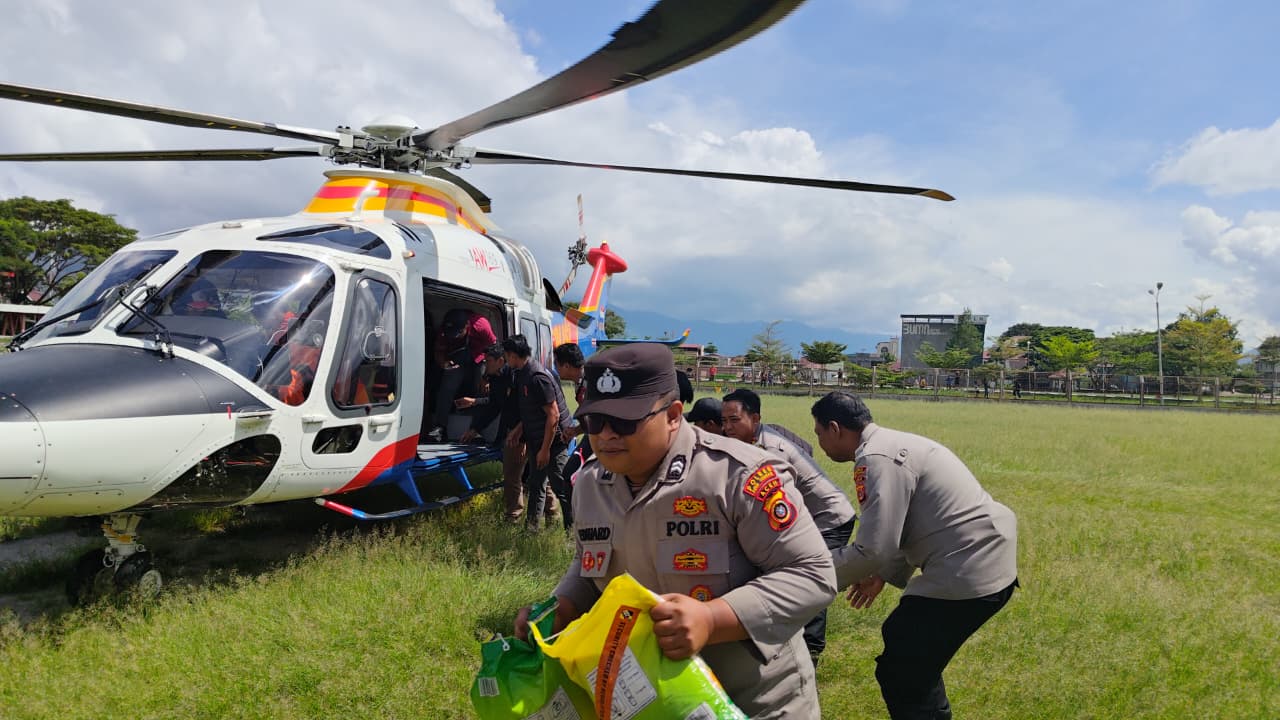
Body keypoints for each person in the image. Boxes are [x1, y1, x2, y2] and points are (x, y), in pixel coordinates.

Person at [516, 343, 836, 719]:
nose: (605, 436)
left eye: (624, 422)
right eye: (594, 422)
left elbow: (813, 573)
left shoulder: (737, 476)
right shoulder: (590, 485)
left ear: (672, 415)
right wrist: (563, 606)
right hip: (653, 701)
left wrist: (713, 619)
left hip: (754, 699)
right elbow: (590, 565)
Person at [810, 391, 1019, 720]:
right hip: (983, 556)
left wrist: (806, 579)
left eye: (819, 433)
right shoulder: (891, 444)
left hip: (970, 565)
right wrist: (881, 574)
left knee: (904, 669)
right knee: (908, 653)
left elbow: (872, 549)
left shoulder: (876, 458)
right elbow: (900, 524)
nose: (820, 443)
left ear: (835, 428)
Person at [720, 387, 856, 665]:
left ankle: (810, 650)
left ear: (755, 419)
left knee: (808, 577)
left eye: (734, 420)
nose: (727, 427)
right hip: (809, 516)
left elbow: (776, 502)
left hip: (829, 518)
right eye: (724, 421)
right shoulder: (754, 441)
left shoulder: (770, 450)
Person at [457, 343, 558, 523]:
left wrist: (521, 435)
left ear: (500, 361)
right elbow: (494, 406)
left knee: (534, 476)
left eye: (488, 361)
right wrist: (475, 429)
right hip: (515, 432)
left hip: (526, 433)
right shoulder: (495, 379)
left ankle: (549, 515)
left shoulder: (518, 377)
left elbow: (529, 409)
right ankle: (517, 516)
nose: (485, 365)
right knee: (515, 475)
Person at [504, 334, 571, 532]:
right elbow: (532, 411)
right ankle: (531, 531)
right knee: (536, 485)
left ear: (513, 355)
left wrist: (545, 450)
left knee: (562, 488)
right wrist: (518, 430)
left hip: (553, 442)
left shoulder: (536, 377)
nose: (506, 360)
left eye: (506, 356)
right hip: (537, 440)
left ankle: (574, 532)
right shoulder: (523, 373)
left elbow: (553, 415)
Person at [427, 308, 497, 442]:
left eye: (458, 333)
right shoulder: (444, 331)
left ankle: (476, 430)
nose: (455, 337)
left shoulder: (481, 325)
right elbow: (439, 350)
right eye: (452, 334)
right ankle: (440, 427)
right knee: (447, 386)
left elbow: (494, 349)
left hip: (480, 357)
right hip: (457, 357)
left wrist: (487, 377)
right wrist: (444, 363)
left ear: (467, 326)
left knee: (482, 390)